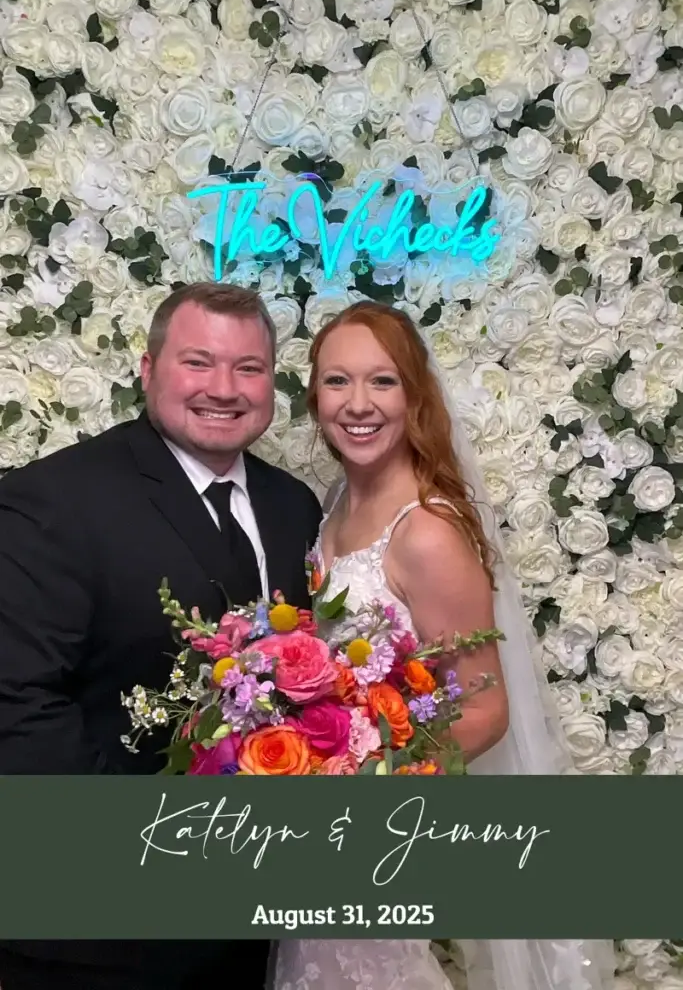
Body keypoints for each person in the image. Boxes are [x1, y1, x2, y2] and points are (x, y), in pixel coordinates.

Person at [270, 300, 617, 990]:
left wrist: (367, 789)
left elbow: (485, 711)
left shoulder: (425, 529)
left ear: (415, 395)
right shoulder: (337, 499)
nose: (357, 404)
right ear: (314, 394)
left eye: (382, 381)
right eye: (337, 381)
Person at [0, 282, 322, 990]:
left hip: (253, 931)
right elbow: (17, 708)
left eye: (248, 368)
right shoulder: (54, 500)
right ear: (147, 371)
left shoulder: (292, 505)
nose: (224, 388)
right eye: (198, 362)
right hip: (97, 939)